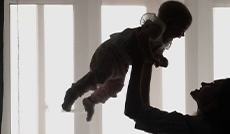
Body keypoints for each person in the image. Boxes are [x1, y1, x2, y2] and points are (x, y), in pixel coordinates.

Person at [61, 0, 192, 121]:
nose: (182, 35)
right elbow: (142, 37)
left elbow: (154, 52)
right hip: (112, 52)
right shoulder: (156, 29)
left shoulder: (163, 40)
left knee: (116, 86)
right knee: (100, 76)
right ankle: (74, 92)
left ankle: (91, 101)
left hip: (122, 61)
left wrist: (160, 58)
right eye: (182, 30)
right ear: (170, 22)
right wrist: (150, 57)